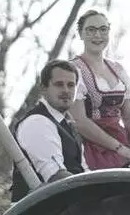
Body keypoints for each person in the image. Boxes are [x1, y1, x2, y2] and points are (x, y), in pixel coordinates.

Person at [69, 8, 130, 170]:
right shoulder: (74, 69)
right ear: (81, 34)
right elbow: (80, 122)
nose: (97, 35)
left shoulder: (117, 68)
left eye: (103, 29)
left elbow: (129, 114)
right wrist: (119, 148)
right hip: (94, 141)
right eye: (91, 30)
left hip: (121, 136)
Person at [10, 60, 87, 201]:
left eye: (71, 85)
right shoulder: (37, 122)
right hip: (43, 214)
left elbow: (84, 171)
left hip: (69, 205)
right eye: (59, 84)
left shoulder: (67, 124)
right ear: (44, 89)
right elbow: (57, 178)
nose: (66, 90)